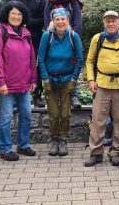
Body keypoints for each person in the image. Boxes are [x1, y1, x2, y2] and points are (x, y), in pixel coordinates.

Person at [85, 11, 119, 167]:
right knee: (98, 120)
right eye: (108, 21)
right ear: (104, 23)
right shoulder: (97, 39)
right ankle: (96, 153)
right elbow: (90, 61)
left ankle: (116, 152)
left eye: (114, 21)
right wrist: (91, 79)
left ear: (118, 22)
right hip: (101, 85)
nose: (111, 24)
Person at [0, 1, 38, 161]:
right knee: (6, 117)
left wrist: (33, 79)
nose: (16, 17)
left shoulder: (26, 33)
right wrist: (1, 82)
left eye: (19, 14)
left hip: (24, 84)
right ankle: (4, 149)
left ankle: (23, 145)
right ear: (7, 15)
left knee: (26, 115)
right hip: (6, 86)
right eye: (13, 14)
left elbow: (32, 58)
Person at [38, 8, 83, 156]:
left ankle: (63, 140)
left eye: (63, 19)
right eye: (57, 19)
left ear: (67, 21)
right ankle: (54, 140)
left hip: (67, 80)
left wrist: (73, 79)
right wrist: (45, 79)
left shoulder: (73, 36)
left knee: (65, 114)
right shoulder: (47, 36)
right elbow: (41, 58)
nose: (60, 22)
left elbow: (80, 59)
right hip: (50, 79)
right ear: (53, 21)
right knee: (53, 114)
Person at [6, 0, 47, 108]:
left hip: (35, 39)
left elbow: (44, 20)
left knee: (38, 66)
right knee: (16, 66)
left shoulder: (40, 0)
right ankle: (16, 94)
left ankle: (37, 94)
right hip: (15, 40)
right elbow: (6, 19)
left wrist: (26, 22)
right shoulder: (12, 0)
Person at [44, 0, 83, 111]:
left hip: (71, 38)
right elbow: (46, 21)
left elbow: (78, 21)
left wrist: (72, 37)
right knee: (54, 63)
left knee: (72, 64)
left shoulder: (73, 2)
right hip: (54, 38)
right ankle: (53, 91)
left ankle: (73, 95)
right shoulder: (50, 2)